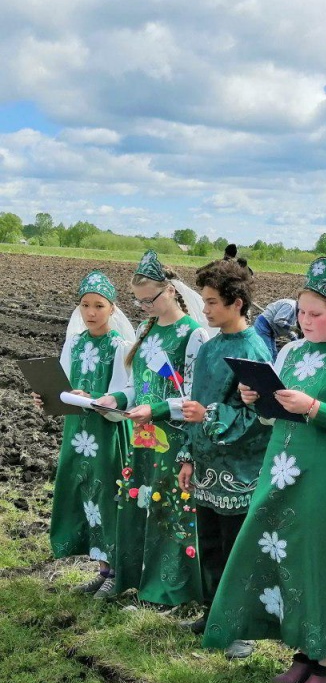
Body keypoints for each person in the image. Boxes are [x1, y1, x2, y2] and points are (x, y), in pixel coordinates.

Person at [203, 256, 326, 683]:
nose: (305, 321)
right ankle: (304, 653)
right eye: (302, 313)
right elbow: (275, 416)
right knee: (288, 557)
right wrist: (257, 398)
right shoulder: (290, 352)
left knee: (319, 562)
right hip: (283, 470)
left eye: (316, 314)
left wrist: (313, 408)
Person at [175, 255, 273, 659]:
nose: (205, 308)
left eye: (213, 301)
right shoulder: (211, 346)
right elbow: (194, 403)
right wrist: (187, 455)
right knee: (211, 544)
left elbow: (262, 415)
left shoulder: (254, 349)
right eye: (204, 300)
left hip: (240, 470)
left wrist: (210, 416)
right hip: (207, 464)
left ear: (237, 303)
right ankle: (214, 612)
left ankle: (241, 628)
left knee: (237, 550)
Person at [107, 250, 211, 606]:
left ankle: (171, 590)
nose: (145, 306)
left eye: (150, 299)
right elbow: (138, 386)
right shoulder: (144, 330)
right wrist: (116, 400)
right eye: (138, 302)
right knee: (142, 501)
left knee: (170, 508)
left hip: (176, 439)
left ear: (170, 290)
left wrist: (159, 408)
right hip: (144, 436)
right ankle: (141, 579)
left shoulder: (193, 335)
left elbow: (196, 398)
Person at [38, 270, 134, 598]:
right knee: (84, 494)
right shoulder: (75, 343)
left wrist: (97, 400)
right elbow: (62, 385)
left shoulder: (119, 346)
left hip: (105, 434)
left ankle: (117, 573)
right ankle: (102, 569)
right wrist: (48, 396)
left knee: (108, 497)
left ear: (112, 309)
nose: (91, 313)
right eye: (85, 305)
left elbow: (124, 394)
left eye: (99, 306)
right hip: (76, 434)